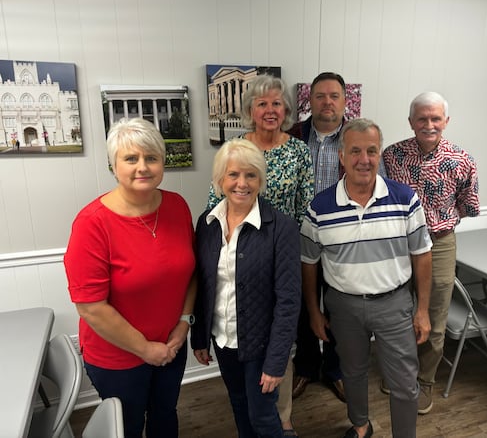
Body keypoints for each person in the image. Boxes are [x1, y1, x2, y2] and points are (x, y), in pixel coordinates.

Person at [64, 117, 196, 438]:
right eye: (131, 158)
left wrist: (183, 322)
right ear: (113, 165)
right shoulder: (92, 224)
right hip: (117, 356)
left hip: (171, 344)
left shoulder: (177, 206)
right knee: (129, 427)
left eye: (151, 157)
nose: (143, 167)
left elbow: (191, 272)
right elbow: (91, 307)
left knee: (166, 416)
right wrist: (145, 350)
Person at [301, 118, 432, 438]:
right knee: (353, 372)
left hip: (395, 303)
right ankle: (361, 426)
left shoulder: (405, 199)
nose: (364, 159)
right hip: (342, 308)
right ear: (341, 157)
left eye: (372, 151)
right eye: (355, 151)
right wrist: (315, 312)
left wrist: (423, 309)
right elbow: (309, 263)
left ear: (379, 154)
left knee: (404, 381)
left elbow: (422, 255)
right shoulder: (319, 208)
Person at [205, 74, 313, 435]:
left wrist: (282, 248)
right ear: (250, 109)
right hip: (236, 258)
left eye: (277, 103)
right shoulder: (234, 149)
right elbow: (213, 213)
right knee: (244, 398)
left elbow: (304, 209)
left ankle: (282, 421)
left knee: (268, 386)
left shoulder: (298, 151)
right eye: (262, 103)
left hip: (280, 251)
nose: (270, 110)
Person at [287, 72, 387, 403]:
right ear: (309, 101)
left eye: (334, 96)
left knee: (337, 308)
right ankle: (305, 367)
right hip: (298, 238)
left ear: (345, 101)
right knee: (303, 306)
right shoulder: (293, 137)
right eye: (320, 96)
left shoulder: (358, 138)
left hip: (344, 240)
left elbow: (376, 185)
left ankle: (334, 370)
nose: (327, 102)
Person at [191, 139, 301, 438]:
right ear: (219, 180)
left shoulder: (281, 228)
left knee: (264, 416)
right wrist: (199, 336)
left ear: (261, 180)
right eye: (233, 175)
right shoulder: (207, 223)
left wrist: (277, 361)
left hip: (261, 347)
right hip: (223, 340)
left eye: (251, 175)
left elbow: (289, 302)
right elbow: (202, 285)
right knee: (239, 405)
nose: (242, 183)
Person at [382, 92, 480, 415]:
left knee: (434, 316)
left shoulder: (462, 160)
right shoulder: (392, 155)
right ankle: (398, 372)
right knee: (398, 312)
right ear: (411, 121)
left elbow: (468, 206)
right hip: (399, 243)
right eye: (422, 118)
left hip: (439, 243)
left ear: (446, 121)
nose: (429, 125)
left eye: (435, 118)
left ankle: (425, 381)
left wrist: (437, 223)